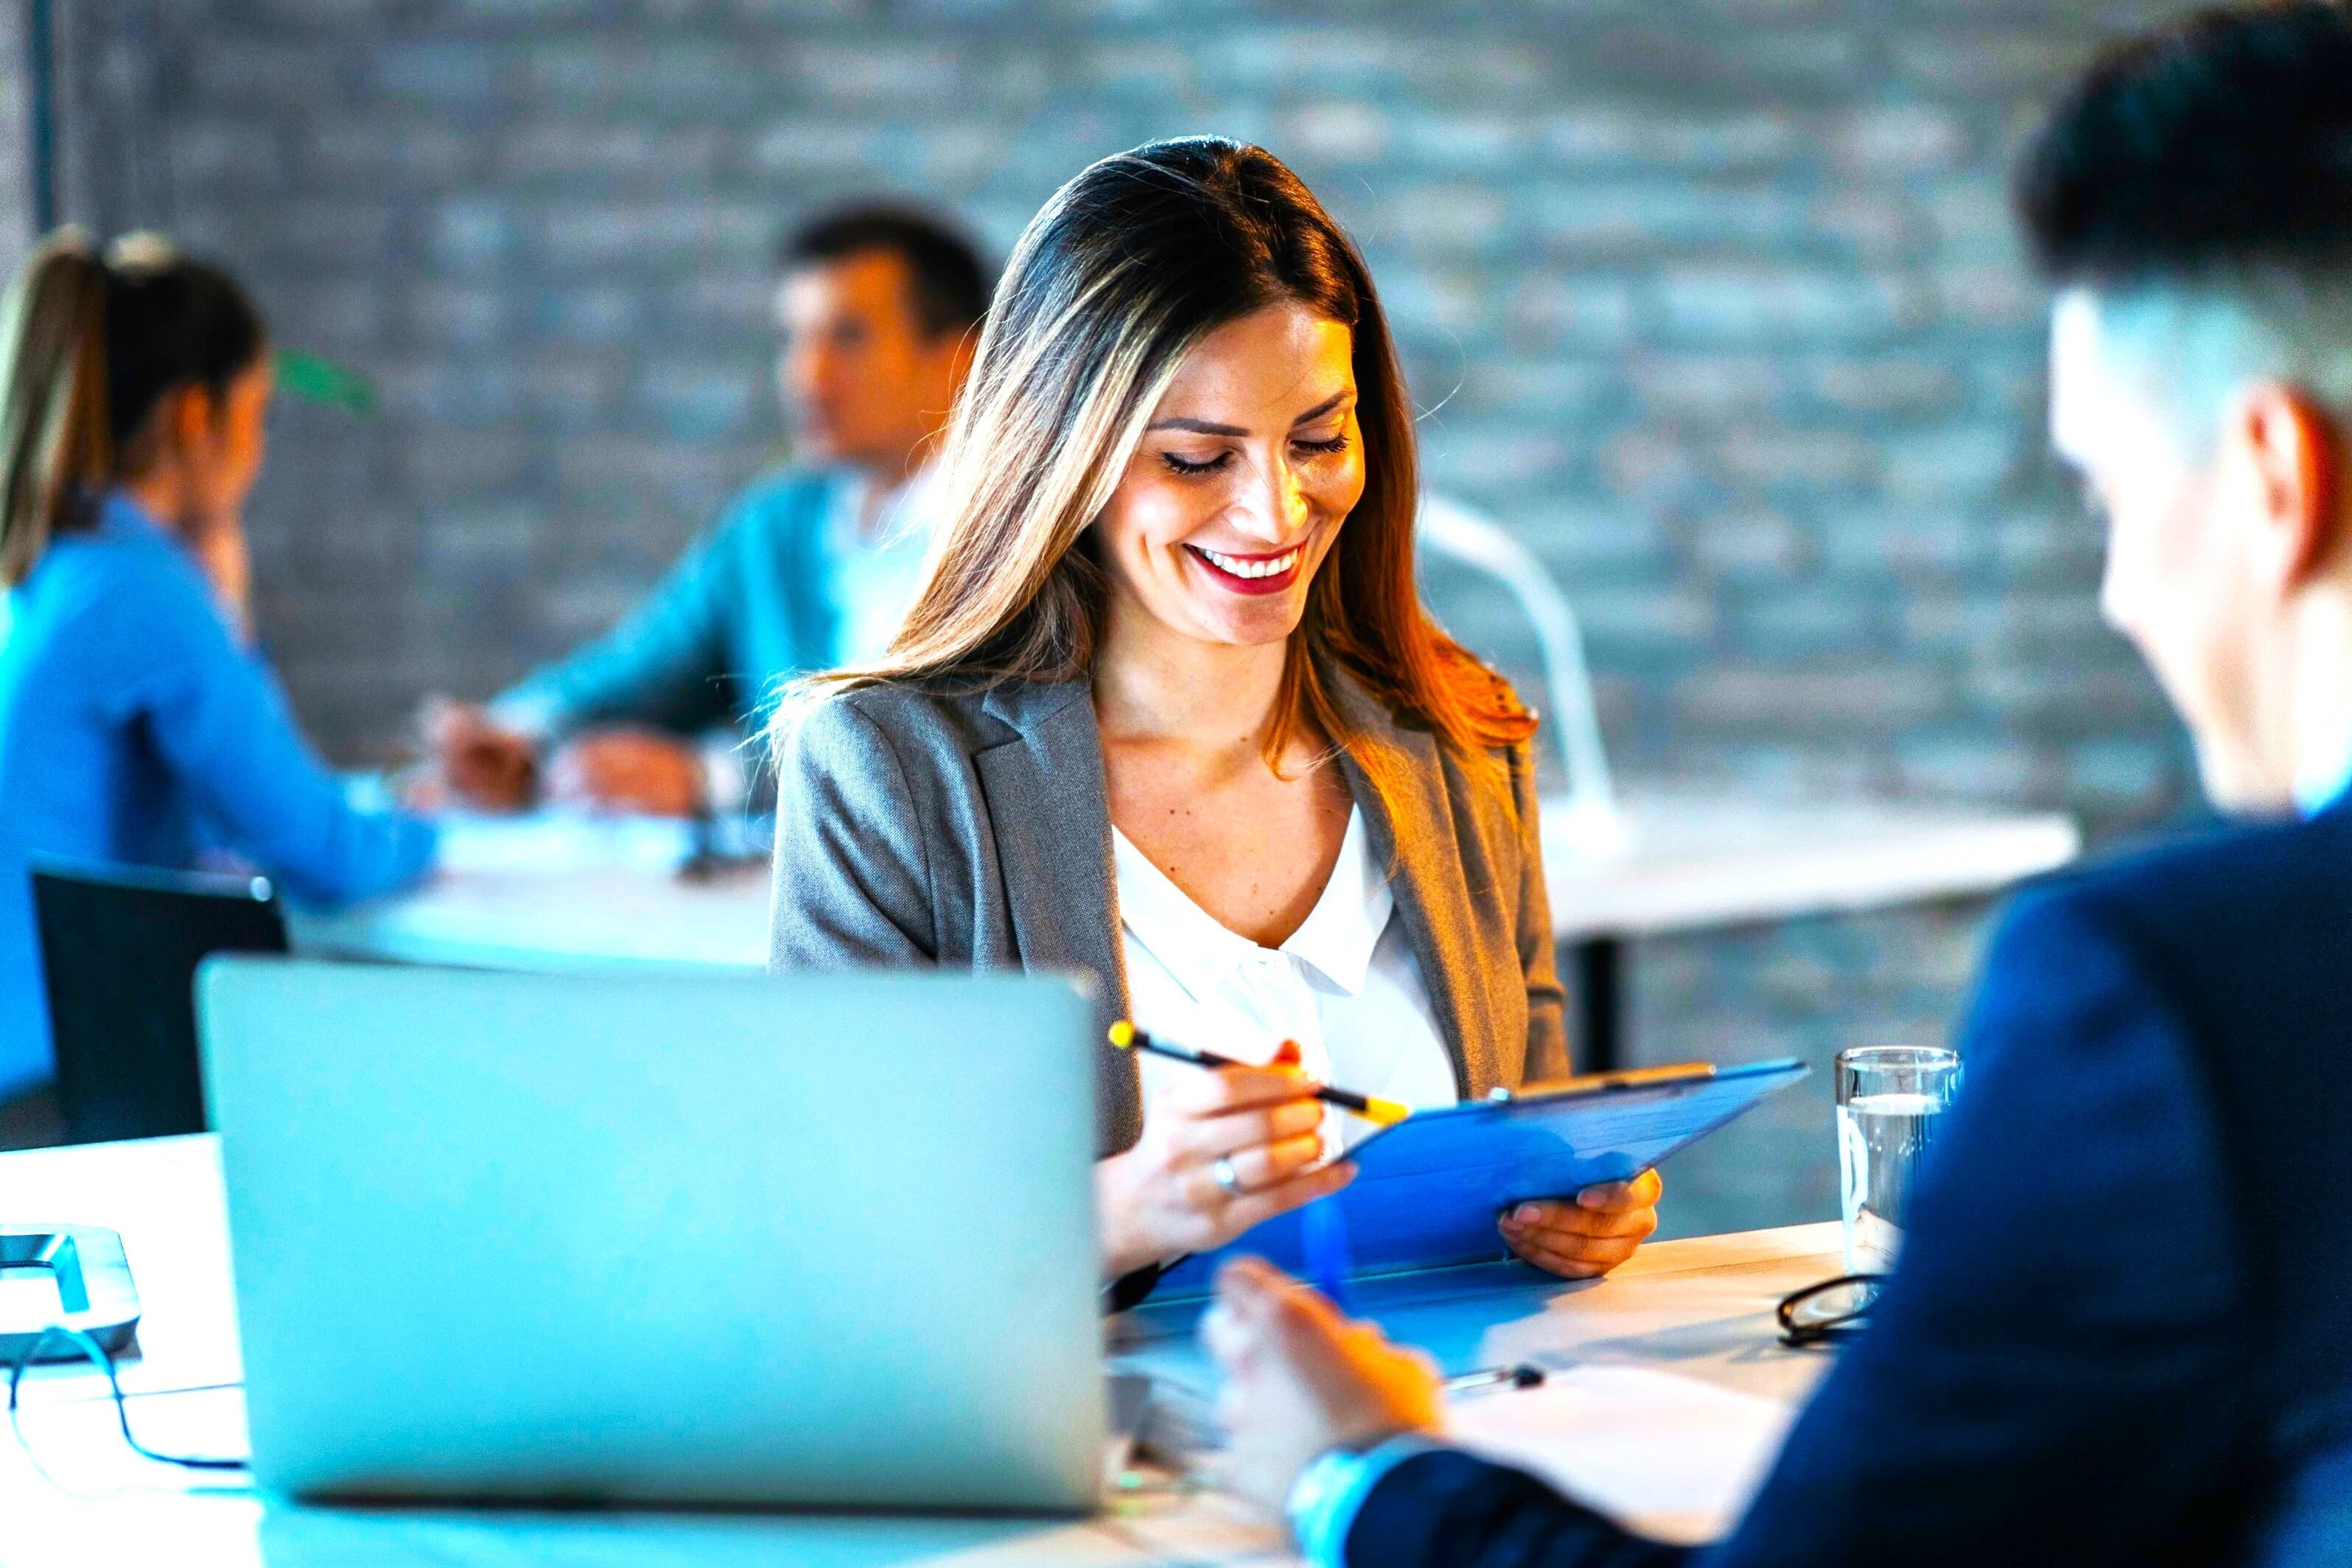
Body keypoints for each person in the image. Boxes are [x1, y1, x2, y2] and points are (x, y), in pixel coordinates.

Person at [1202, 6, 2352, 1565]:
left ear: (2278, 479)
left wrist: (1357, 1473)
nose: (2123, 593)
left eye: (2112, 498)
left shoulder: (2184, 992)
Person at [768, 139, 1662, 1309]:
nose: (1275, 511)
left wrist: (1568, 1214)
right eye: (1197, 457)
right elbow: (823, 1242)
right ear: (1064, 452)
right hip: (1097, 1466)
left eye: (1317, 440)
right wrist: (1122, 1210)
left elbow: (1525, 1145)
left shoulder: (1459, 737)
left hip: (1428, 1452)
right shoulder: (892, 770)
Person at [0, 231, 437, 1129]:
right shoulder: (142, 588)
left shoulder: (63, 562)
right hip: (47, 1093)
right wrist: (443, 825)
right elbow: (321, 854)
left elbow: (211, 811)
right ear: (196, 419)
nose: (261, 450)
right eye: (257, 414)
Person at [425, 205, 990, 818]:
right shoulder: (773, 528)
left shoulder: (1025, 537)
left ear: (959, 357)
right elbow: (642, 670)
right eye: (796, 339)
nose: (807, 376)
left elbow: (959, 759)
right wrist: (516, 739)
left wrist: (711, 779)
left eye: (848, 337)